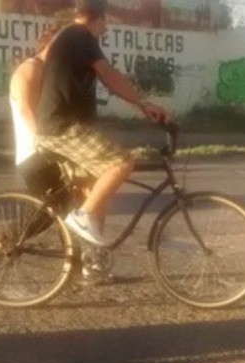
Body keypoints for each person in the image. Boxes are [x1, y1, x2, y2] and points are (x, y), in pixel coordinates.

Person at [36, 0, 170, 247]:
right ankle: (82, 218)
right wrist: (143, 104)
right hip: (62, 128)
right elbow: (110, 76)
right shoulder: (80, 35)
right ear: (98, 18)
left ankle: (92, 261)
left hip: (63, 126)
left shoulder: (72, 37)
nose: (105, 29)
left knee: (92, 188)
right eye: (105, 22)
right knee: (121, 161)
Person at [9, 21, 65, 166]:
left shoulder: (53, 72)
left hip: (56, 152)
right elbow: (26, 110)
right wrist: (47, 145)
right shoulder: (31, 69)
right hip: (36, 156)